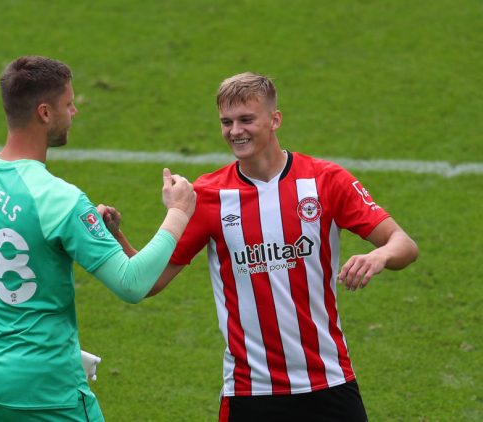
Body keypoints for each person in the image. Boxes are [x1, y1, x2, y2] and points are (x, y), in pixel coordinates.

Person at [142, 72, 419, 421]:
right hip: (251, 390)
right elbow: (149, 282)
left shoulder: (325, 180)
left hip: (328, 380)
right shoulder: (209, 195)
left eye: (246, 119)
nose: (235, 131)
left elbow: (404, 245)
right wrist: (111, 236)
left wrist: (380, 254)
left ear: (275, 120)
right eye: (226, 122)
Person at [0, 55, 195, 422]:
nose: (74, 111)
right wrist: (178, 213)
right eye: (69, 103)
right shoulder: (60, 200)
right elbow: (132, 283)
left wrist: (12, 328)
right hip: (50, 394)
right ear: (44, 113)